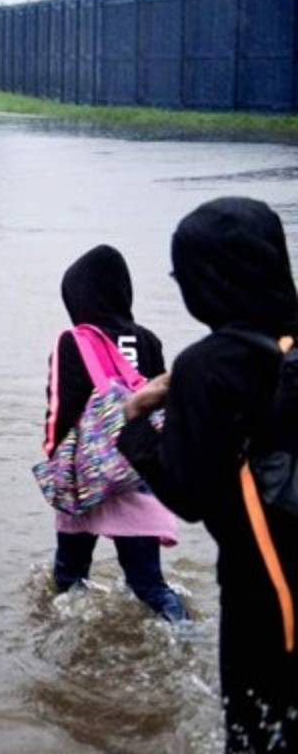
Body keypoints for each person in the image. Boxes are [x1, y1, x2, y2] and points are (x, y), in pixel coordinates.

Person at [117, 198, 298, 751]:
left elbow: (187, 494)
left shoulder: (208, 365)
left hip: (263, 590)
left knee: (255, 733)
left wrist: (136, 420)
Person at [42, 245, 187, 621]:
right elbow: (162, 406)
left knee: (69, 578)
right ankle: (184, 632)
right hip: (137, 471)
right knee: (149, 586)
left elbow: (60, 406)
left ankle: (63, 639)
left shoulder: (71, 340)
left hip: (86, 475)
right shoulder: (148, 339)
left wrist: (54, 457)